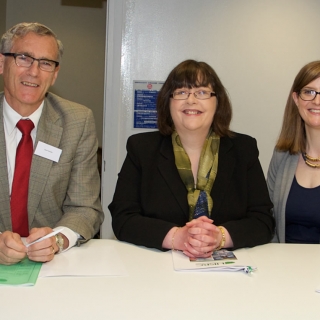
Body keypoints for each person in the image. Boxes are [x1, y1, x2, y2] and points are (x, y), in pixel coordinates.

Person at [109, 59, 274, 258]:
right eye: (181, 92)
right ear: (167, 102)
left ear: (217, 101)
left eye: (202, 92)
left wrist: (220, 237)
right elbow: (123, 218)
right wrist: (176, 237)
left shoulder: (243, 149)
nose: (191, 100)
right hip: (156, 269)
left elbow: (263, 221)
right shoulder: (141, 149)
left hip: (228, 275)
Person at [0, 22, 104, 265]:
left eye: (45, 63)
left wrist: (57, 240)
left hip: (52, 266)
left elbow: (86, 208)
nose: (34, 72)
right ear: (2, 63)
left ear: (55, 74)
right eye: (24, 58)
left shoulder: (78, 122)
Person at [267, 60, 320, 243]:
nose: (317, 100)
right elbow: (269, 222)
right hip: (284, 267)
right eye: (309, 92)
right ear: (296, 99)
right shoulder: (281, 155)